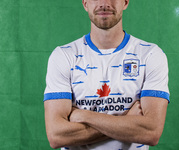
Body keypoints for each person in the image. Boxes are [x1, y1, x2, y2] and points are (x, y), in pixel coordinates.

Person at [43, 0, 170, 150]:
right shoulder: (64, 56)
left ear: (125, 2)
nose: (104, 3)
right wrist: (127, 122)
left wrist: (84, 115)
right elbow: (56, 136)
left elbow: (151, 132)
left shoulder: (150, 54)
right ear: (85, 3)